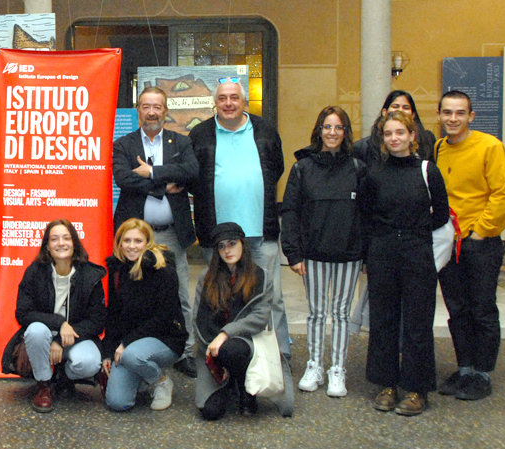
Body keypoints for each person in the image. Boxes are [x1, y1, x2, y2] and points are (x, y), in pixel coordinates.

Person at [189, 78, 290, 359]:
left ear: (243, 101)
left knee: (272, 297)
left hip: (260, 231)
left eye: (234, 97)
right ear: (215, 103)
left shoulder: (266, 130)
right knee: (218, 296)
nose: (229, 103)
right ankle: (220, 353)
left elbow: (276, 168)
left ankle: (279, 357)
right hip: (218, 234)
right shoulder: (200, 134)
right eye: (223, 98)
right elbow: (192, 177)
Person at [359, 110, 449, 416]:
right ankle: (386, 385)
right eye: (388, 134)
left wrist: (415, 233)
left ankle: (416, 388)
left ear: (413, 136)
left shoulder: (428, 171)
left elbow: (441, 214)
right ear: (383, 139)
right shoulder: (374, 173)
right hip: (382, 252)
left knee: (418, 322)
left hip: (417, 252)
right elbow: (365, 214)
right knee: (383, 320)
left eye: (400, 132)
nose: (394, 138)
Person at [112, 86, 201, 378]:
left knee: (179, 295)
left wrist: (150, 173)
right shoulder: (124, 144)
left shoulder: (181, 142)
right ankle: (132, 345)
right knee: (133, 293)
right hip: (134, 239)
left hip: (171, 235)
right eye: (146, 106)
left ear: (165, 111)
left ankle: (185, 351)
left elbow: (190, 172)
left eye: (157, 107)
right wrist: (165, 183)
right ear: (139, 110)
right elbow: (123, 178)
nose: (151, 112)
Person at [280, 106, 366, 398]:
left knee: (341, 314)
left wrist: (365, 253)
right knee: (317, 313)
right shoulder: (303, 167)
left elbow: (367, 213)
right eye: (327, 127)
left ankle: (337, 369)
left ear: (346, 132)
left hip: (348, 254)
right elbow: (290, 211)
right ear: (318, 131)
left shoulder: (357, 167)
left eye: (338, 127)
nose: (332, 133)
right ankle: (315, 364)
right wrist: (293, 253)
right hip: (313, 254)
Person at [434, 90, 505, 401]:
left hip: (479, 243)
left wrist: (480, 232)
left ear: (471, 116)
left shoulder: (489, 147)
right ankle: (464, 367)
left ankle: (482, 373)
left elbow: (502, 194)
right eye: (447, 113)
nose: (453, 119)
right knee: (457, 309)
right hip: (448, 244)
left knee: (482, 309)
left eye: (460, 113)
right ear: (439, 116)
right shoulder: (440, 148)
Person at [4, 220, 106, 413]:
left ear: (74, 243)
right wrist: (60, 323)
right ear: (47, 246)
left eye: (67, 238)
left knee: (90, 362)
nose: (61, 243)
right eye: (55, 239)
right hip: (43, 335)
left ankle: (64, 378)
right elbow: (23, 313)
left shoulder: (90, 275)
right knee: (35, 330)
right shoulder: (34, 272)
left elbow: (97, 322)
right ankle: (44, 385)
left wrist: (60, 339)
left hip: (75, 336)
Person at [194, 223, 292, 419]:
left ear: (243, 244)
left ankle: (246, 390)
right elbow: (198, 318)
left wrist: (225, 334)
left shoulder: (260, 275)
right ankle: (229, 383)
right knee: (210, 412)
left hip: (248, 341)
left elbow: (259, 317)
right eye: (221, 246)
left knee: (232, 349)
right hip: (212, 346)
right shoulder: (207, 277)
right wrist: (210, 344)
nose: (227, 250)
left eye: (232, 243)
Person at [102, 219, 187, 411]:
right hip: (130, 344)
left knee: (133, 356)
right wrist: (107, 352)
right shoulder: (117, 269)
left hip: (164, 338)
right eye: (127, 240)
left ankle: (160, 381)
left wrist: (125, 343)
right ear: (119, 243)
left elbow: (164, 318)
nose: (132, 246)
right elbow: (113, 315)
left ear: (148, 243)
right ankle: (140, 374)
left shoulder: (163, 270)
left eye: (138, 241)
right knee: (117, 402)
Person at [354, 90, 437, 166]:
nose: (400, 110)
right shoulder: (364, 147)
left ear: (413, 115)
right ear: (384, 112)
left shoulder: (427, 140)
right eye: (395, 106)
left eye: (406, 107)